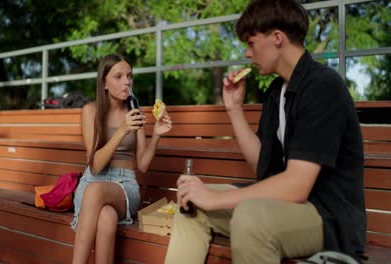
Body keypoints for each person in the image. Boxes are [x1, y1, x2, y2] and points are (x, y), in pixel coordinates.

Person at [165, 0, 366, 263]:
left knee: (250, 218)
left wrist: (215, 198)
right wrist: (235, 109)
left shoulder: (322, 87)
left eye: (251, 43)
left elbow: (297, 186)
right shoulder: (276, 92)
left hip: (327, 217)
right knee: (191, 206)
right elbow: (263, 165)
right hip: (286, 208)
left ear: (277, 38)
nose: (248, 54)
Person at [71, 54, 172, 264]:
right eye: (118, 76)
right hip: (92, 180)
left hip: (125, 185)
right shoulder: (90, 111)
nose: (127, 81)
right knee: (107, 216)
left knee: (96, 192)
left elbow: (143, 164)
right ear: (104, 83)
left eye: (129, 76)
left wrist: (157, 134)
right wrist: (122, 131)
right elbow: (96, 166)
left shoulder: (135, 111)